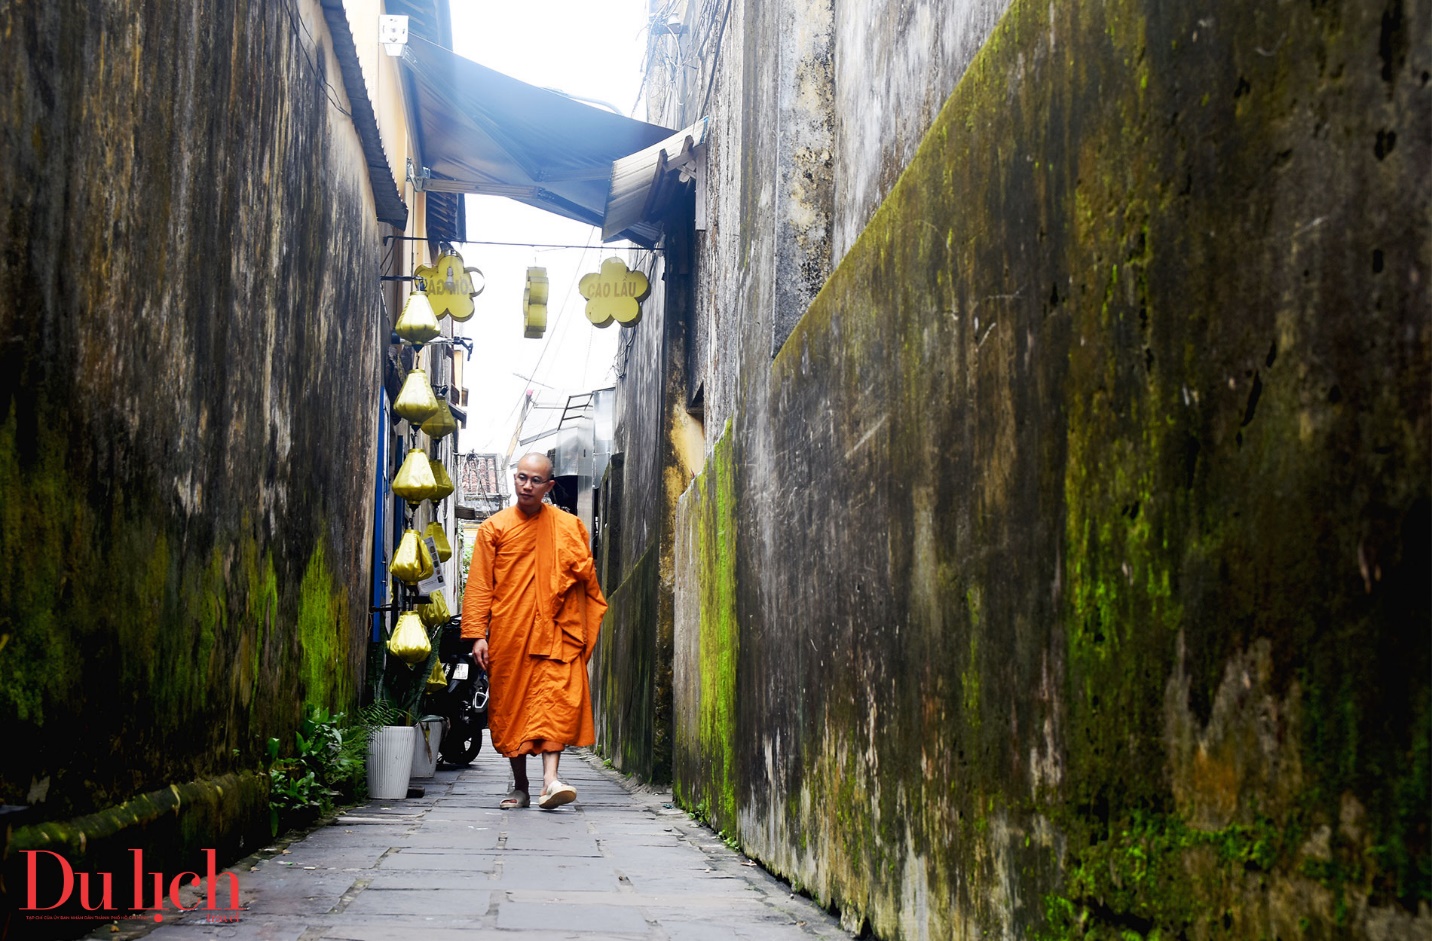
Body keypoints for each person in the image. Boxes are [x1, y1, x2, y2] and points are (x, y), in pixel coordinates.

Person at [460, 452, 608, 810]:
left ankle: (550, 781)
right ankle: (522, 785)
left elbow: (585, 583)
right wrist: (478, 633)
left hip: (557, 631)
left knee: (555, 699)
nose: (527, 485)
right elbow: (480, 584)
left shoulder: (569, 527)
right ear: (514, 479)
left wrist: (575, 620)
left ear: (549, 486)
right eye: (522, 477)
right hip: (511, 631)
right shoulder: (495, 528)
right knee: (513, 706)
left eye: (535, 480)